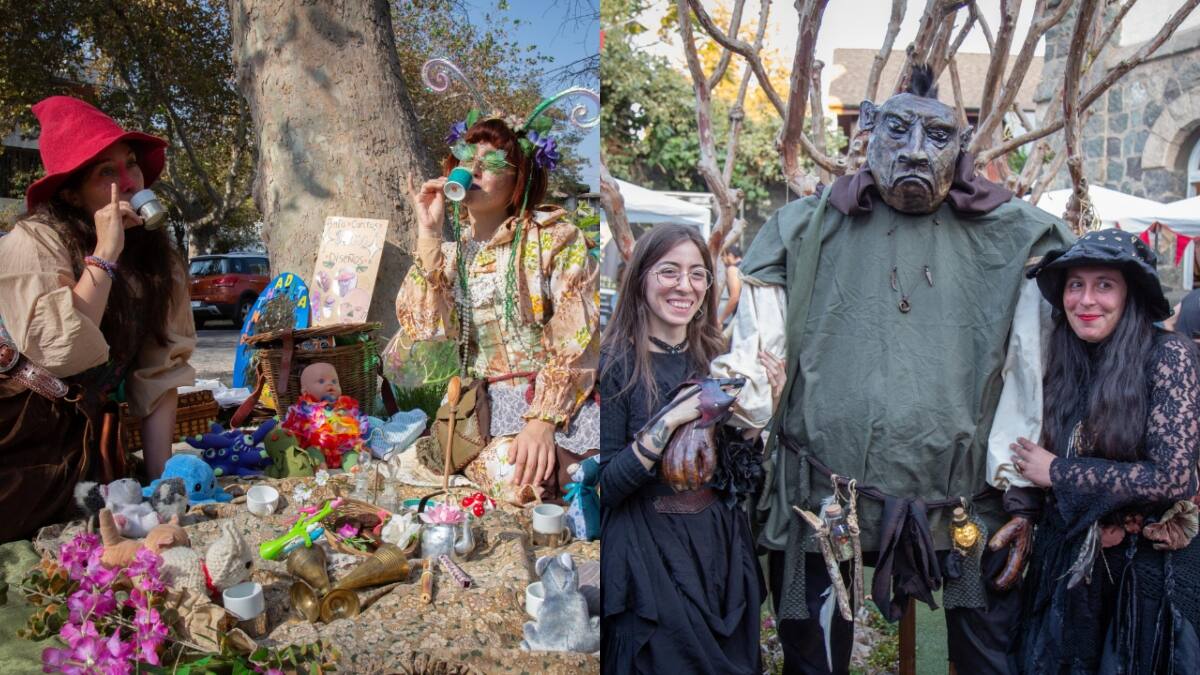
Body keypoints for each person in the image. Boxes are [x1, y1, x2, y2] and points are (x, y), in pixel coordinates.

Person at [712, 65, 1074, 673]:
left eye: (937, 136)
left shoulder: (1017, 236)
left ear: (962, 145)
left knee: (986, 657)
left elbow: (1033, 370)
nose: (915, 151)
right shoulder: (802, 228)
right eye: (898, 130)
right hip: (822, 501)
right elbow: (757, 359)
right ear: (869, 130)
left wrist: (1020, 491)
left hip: (968, 504)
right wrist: (717, 413)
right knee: (815, 658)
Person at [0, 96, 196, 542]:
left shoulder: (158, 261)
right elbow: (61, 352)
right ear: (71, 193)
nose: (128, 182)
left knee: (117, 517)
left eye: (131, 164)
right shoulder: (34, 243)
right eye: (107, 172)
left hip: (85, 441)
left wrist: (160, 483)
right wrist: (105, 253)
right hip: (17, 434)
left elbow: (159, 373)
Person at [385, 107, 599, 505]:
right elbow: (423, 328)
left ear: (521, 178)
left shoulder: (555, 239)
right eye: (467, 158)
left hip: (555, 405)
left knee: (564, 476)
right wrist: (428, 233)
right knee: (519, 480)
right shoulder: (451, 256)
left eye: (493, 162)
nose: (475, 168)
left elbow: (577, 337)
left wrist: (542, 421)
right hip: (480, 411)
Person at [1009, 229, 1200, 673]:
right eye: (1076, 284)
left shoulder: (1168, 355)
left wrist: (1059, 472)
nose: (1086, 300)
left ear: (1130, 294)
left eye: (1104, 285)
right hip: (1072, 573)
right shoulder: (1062, 358)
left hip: (1146, 580)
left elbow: (1173, 477)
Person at [598, 223, 776, 674]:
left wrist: (761, 411)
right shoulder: (616, 363)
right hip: (648, 551)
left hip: (717, 548)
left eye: (698, 274)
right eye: (669, 271)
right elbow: (608, 487)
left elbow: (737, 473)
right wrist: (671, 418)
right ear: (641, 278)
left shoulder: (717, 358)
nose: (685, 285)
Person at [717, 244, 743, 328]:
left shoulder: (732, 269)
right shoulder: (744, 267)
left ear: (730, 256)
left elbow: (734, 297)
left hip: (742, 318)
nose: (723, 261)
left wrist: (720, 320)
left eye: (723, 258)